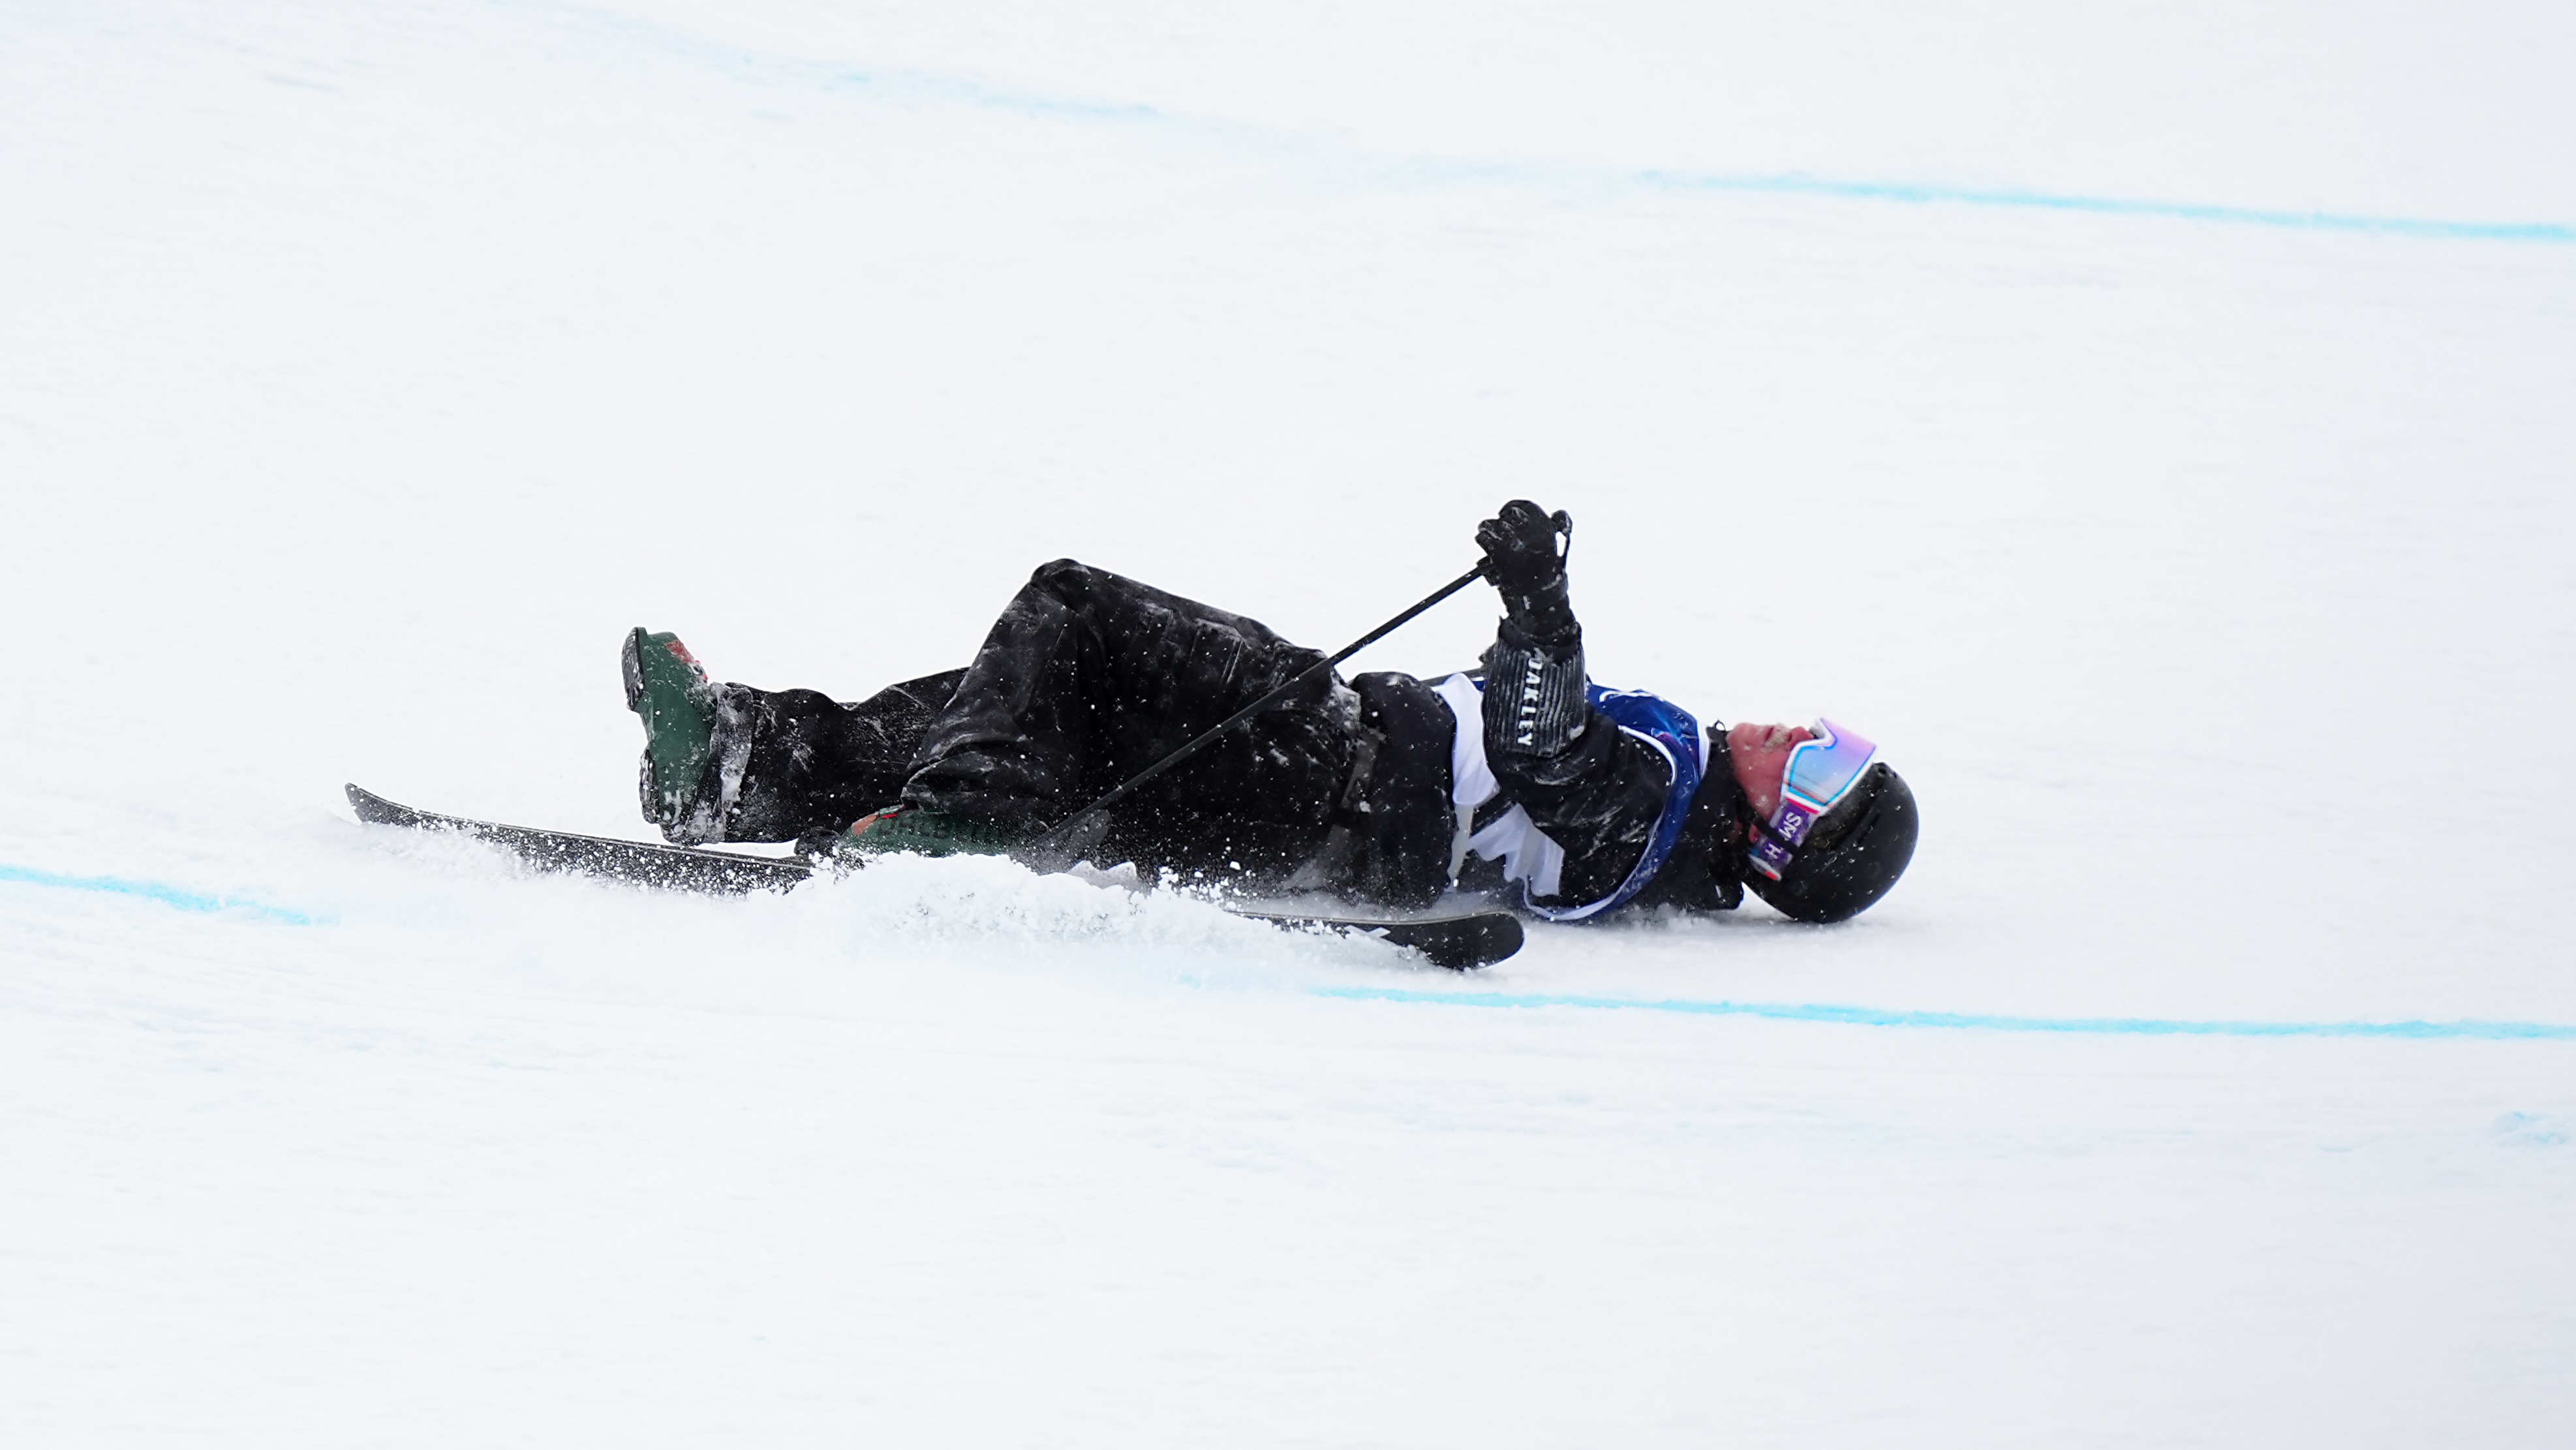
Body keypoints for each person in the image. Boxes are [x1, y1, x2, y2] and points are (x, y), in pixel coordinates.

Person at [619, 502, 1919, 924]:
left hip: (1330, 767)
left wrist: (1541, 607)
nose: (1796, 726)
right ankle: (747, 769)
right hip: (1315, 784)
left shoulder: (1660, 798)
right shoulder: (1667, 820)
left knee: (1071, 611)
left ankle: (946, 826)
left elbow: (1542, 748)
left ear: (1790, 827)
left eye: (1819, 755)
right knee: (1035, 698)